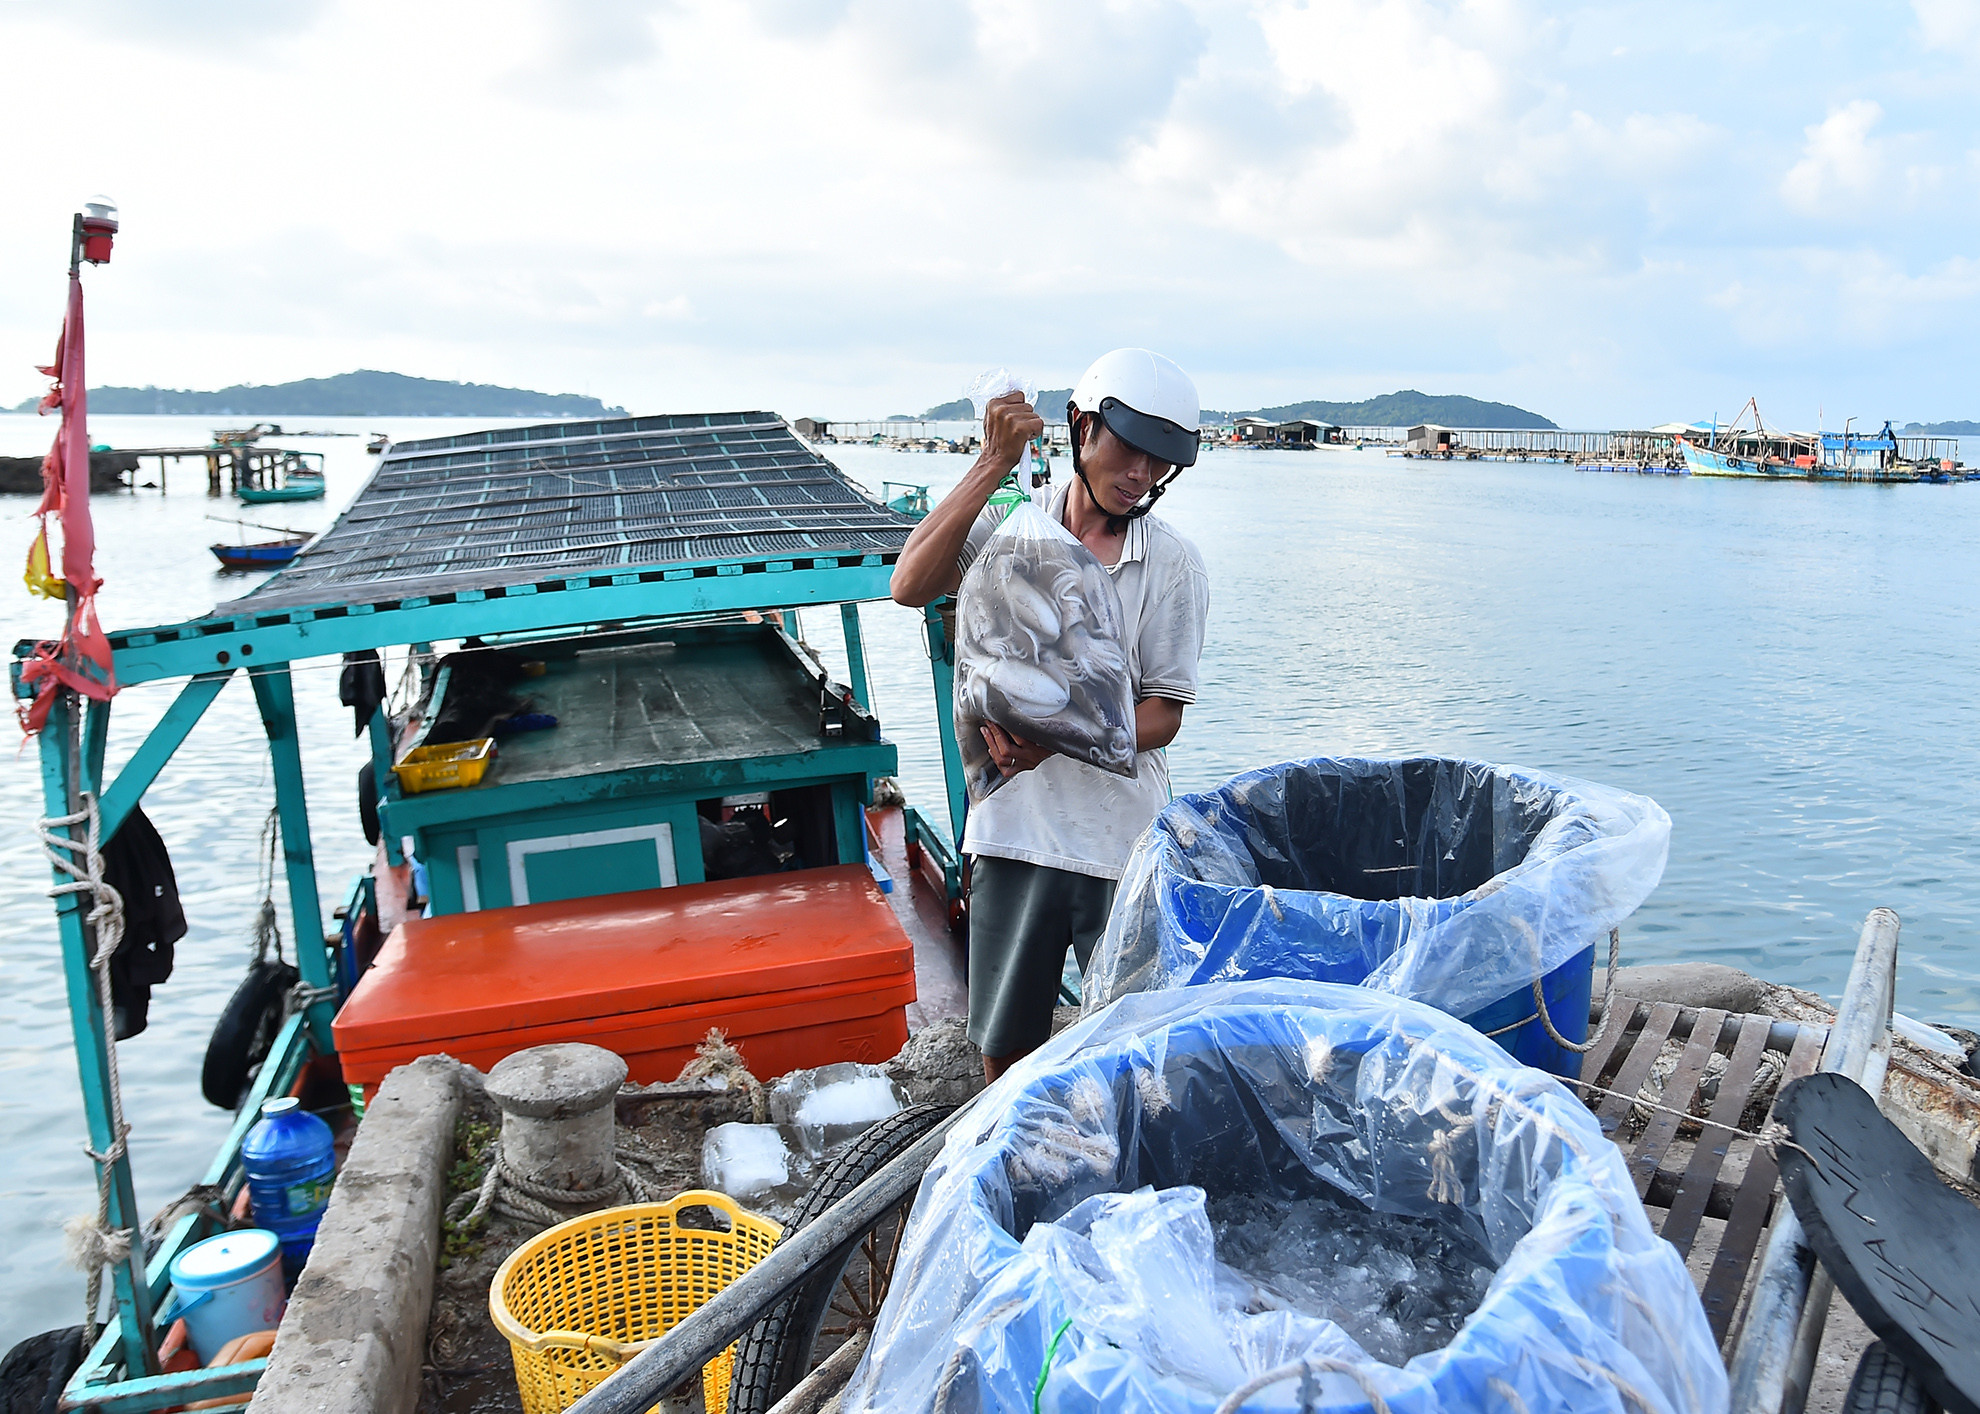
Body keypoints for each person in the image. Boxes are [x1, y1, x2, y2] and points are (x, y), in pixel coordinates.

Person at [891, 349, 1210, 1082]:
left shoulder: (1171, 564)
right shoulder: (1010, 532)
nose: (1141, 475)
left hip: (1118, 840)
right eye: (1129, 448)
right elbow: (909, 585)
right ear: (1080, 426)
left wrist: (1052, 740)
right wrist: (991, 463)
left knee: (1130, 1054)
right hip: (1012, 834)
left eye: (1161, 463)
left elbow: (1163, 714)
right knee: (1004, 1048)